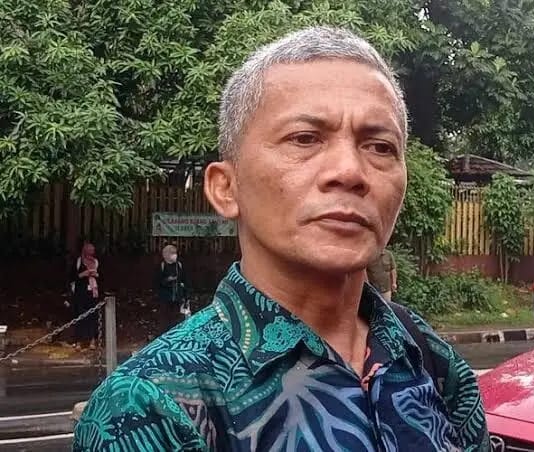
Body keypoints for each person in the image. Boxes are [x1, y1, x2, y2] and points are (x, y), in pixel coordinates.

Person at [74, 26, 489, 452]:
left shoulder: (431, 360)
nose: (350, 172)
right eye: (305, 139)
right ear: (225, 188)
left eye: (380, 146)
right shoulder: (150, 404)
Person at [69, 242, 100, 350]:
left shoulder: (96, 262)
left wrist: (95, 275)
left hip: (92, 293)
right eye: (90, 250)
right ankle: (78, 341)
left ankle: (92, 340)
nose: (92, 252)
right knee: (80, 316)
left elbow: (102, 276)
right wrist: (83, 274)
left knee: (92, 316)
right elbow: (72, 276)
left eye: (93, 250)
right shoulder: (78, 262)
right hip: (80, 293)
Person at [154, 244, 189, 332]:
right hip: (165, 297)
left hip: (177, 297)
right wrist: (167, 280)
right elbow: (157, 282)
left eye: (175, 253)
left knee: (177, 317)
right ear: (166, 255)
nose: (175, 255)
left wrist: (186, 295)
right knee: (165, 317)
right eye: (172, 253)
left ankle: (175, 333)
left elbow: (184, 281)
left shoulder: (179, 265)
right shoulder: (162, 265)